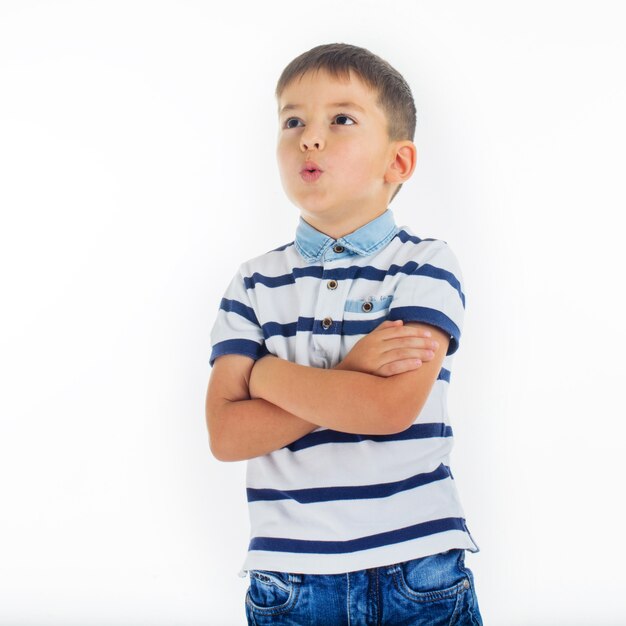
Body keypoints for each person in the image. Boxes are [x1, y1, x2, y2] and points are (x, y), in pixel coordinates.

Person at [205, 42, 483, 625]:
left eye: (341, 119)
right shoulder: (254, 283)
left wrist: (266, 376)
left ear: (398, 162)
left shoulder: (426, 266)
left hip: (417, 567)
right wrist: (351, 373)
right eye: (293, 120)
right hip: (290, 579)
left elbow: (388, 409)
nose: (310, 137)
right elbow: (228, 434)